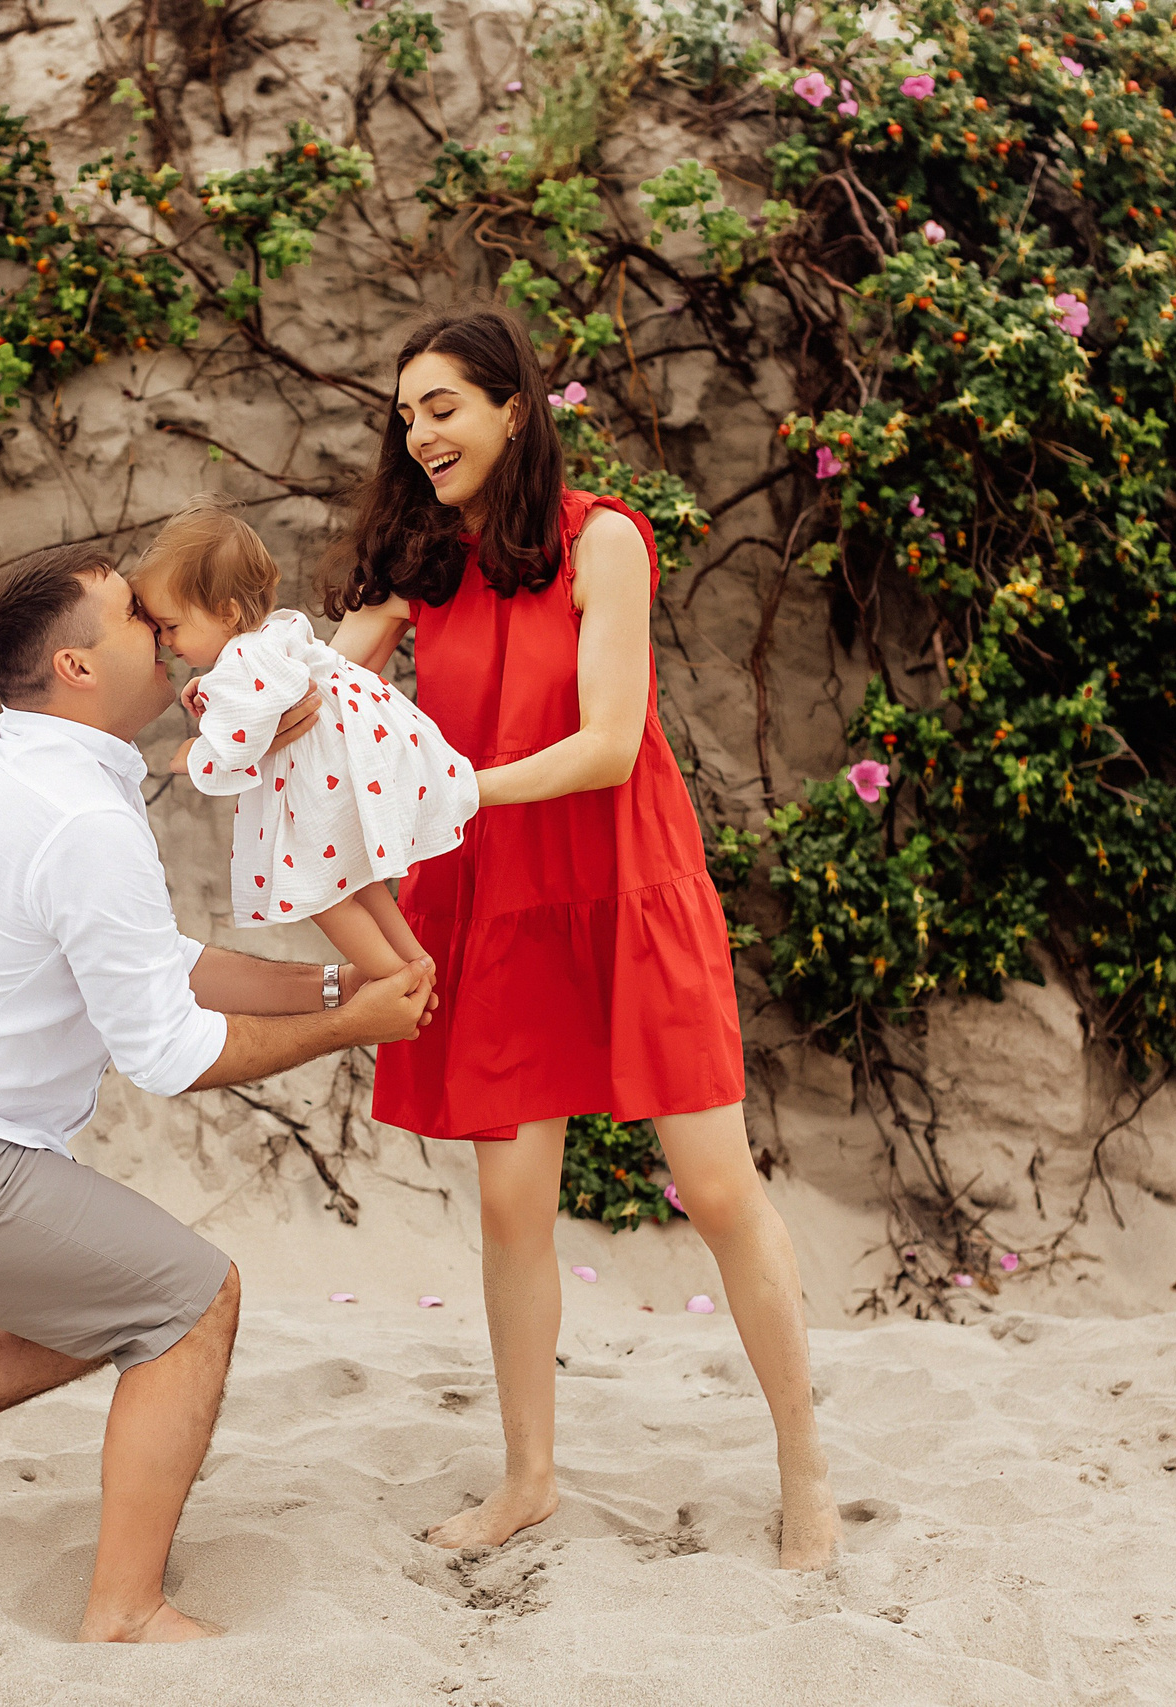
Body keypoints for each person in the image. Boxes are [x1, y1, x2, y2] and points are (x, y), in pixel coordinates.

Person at [0, 542, 438, 1643]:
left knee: (111, 1291)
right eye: (136, 617)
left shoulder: (38, 772)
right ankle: (124, 1609)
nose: (166, 630)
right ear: (77, 668)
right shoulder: (76, 816)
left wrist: (332, 979)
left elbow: (153, 960)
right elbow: (170, 1051)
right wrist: (347, 1027)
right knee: (189, 1301)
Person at [323, 307, 840, 1570]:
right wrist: (232, 711)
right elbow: (323, 694)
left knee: (717, 1187)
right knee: (511, 1208)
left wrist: (453, 790)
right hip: (496, 898)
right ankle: (529, 1479)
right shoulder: (423, 559)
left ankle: (805, 1470)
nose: (420, 432)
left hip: (623, 878)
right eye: (404, 415)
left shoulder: (603, 539)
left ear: (513, 408)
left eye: (441, 405)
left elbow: (610, 740)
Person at [132, 495, 478, 980]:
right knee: (356, 881)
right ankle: (414, 958)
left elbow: (235, 748)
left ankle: (394, 978)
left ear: (227, 612)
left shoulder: (241, 666)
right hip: (342, 777)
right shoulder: (276, 633)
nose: (165, 640)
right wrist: (209, 694)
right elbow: (263, 704)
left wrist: (188, 758)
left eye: (172, 626)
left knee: (321, 895)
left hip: (319, 790)